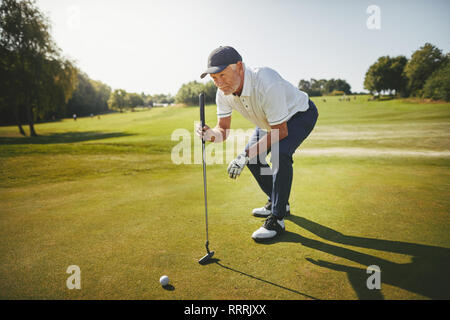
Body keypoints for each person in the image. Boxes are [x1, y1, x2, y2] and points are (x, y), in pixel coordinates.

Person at [196, 46, 318, 241]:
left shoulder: (266, 81)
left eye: (222, 75)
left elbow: (281, 131)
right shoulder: (223, 93)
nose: (219, 82)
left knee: (280, 153)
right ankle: (278, 202)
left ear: (239, 67)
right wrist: (209, 134)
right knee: (253, 158)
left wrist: (243, 155)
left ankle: (277, 219)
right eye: (214, 78)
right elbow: (223, 131)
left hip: (299, 114)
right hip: (270, 121)